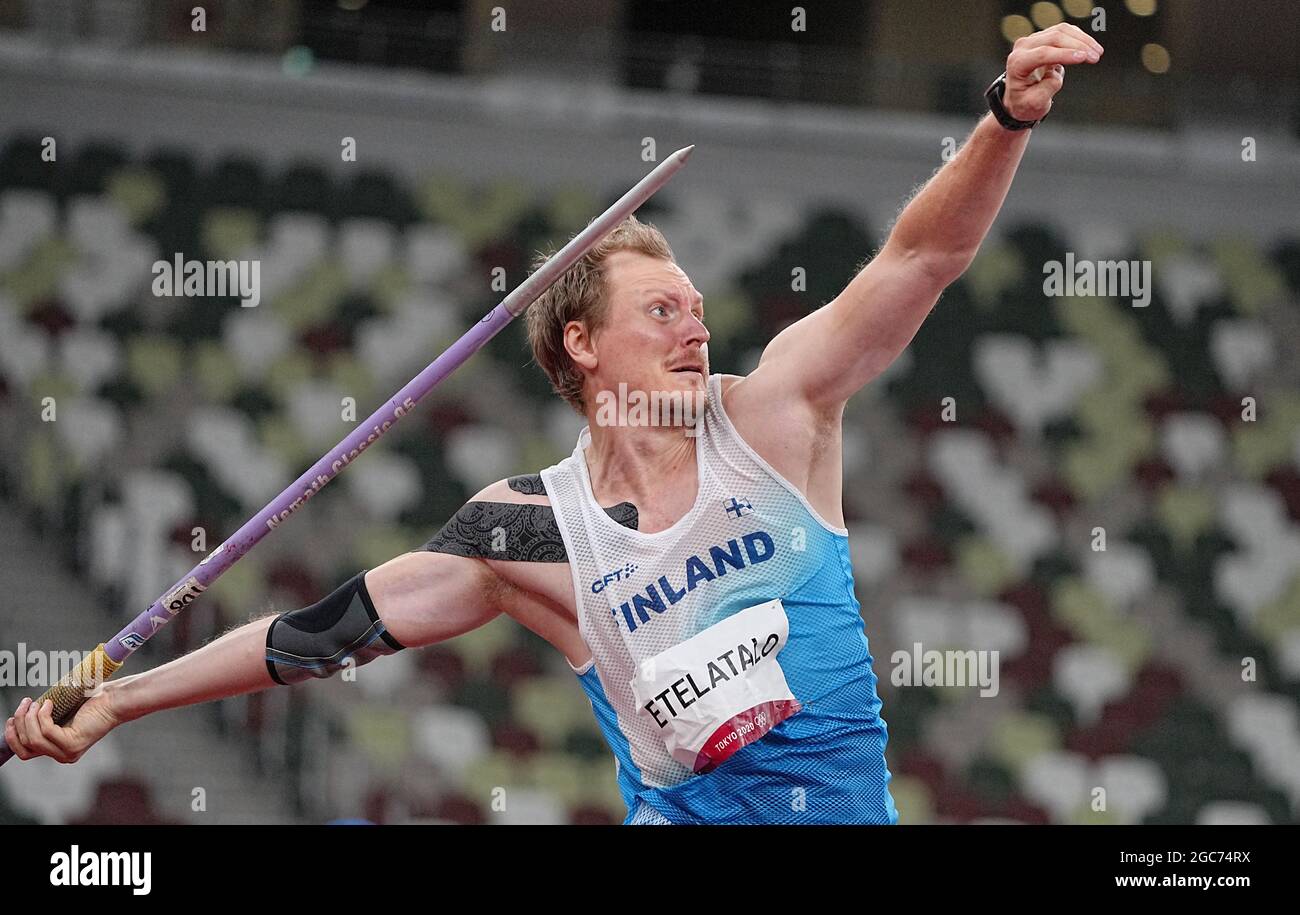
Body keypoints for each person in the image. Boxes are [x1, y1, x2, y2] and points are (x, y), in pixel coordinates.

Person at [4, 24, 1103, 824]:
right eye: (661, 310)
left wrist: (1003, 118)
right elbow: (324, 634)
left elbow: (921, 258)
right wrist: (122, 700)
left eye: (700, 311)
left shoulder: (774, 415)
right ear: (580, 346)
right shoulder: (528, 532)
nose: (695, 329)